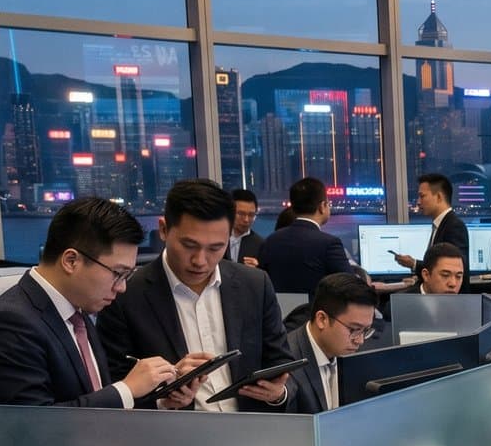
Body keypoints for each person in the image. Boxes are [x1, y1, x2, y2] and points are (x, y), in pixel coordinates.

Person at [0, 197, 197, 409]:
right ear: (71, 260)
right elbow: (33, 425)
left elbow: (92, 399)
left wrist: (161, 401)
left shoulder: (78, 311)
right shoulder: (8, 324)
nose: (122, 287)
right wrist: (125, 390)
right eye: (117, 273)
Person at [98, 179, 298, 413]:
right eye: (189, 245)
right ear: (163, 229)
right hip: (174, 437)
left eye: (215, 248)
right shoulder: (126, 295)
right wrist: (164, 396)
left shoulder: (254, 284)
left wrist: (278, 394)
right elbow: (114, 388)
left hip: (251, 432)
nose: (200, 261)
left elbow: (283, 368)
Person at [284, 272, 378, 413]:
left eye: (365, 330)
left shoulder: (356, 356)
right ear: (322, 319)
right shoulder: (286, 361)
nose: (360, 340)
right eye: (354, 329)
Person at [256, 177, 359, 298]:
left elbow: (262, 285)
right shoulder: (329, 244)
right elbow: (352, 286)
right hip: (316, 314)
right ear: (322, 207)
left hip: (279, 314)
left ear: (293, 207)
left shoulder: (270, 241)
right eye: (328, 204)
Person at [392, 173, 468, 272]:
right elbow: (436, 268)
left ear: (439, 197)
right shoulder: (440, 225)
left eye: (422, 196)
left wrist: (414, 264)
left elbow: (452, 271)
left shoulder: (454, 226)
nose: (418, 202)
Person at [228, 189, 263, 266]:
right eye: (241, 214)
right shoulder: (218, 238)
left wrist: (258, 270)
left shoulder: (261, 245)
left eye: (251, 215)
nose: (246, 220)